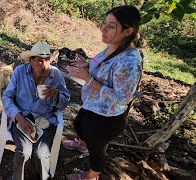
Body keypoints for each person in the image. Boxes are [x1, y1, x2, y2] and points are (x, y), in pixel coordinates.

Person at [62, 6, 145, 180]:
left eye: (111, 26)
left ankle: (92, 176)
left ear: (128, 30)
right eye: (104, 23)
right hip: (93, 104)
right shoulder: (113, 46)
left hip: (106, 116)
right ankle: (82, 145)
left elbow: (122, 99)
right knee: (79, 125)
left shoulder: (129, 61)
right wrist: (86, 64)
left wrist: (88, 79)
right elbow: (104, 68)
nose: (103, 29)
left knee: (97, 148)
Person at [2, 41, 70, 180]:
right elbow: (7, 96)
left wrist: (56, 95)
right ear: (31, 60)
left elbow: (64, 103)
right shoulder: (20, 71)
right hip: (22, 118)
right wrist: (19, 118)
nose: (44, 65)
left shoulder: (56, 75)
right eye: (39, 61)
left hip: (45, 120)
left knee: (41, 154)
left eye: (46, 60)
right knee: (24, 151)